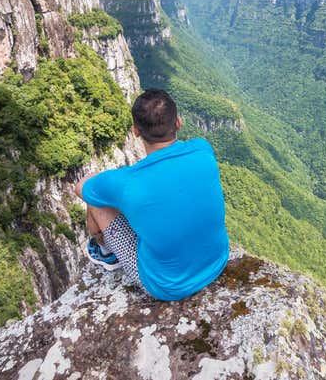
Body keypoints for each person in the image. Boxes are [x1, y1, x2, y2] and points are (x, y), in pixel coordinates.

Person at [76, 89, 230, 301]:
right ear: (178, 122)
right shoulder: (202, 149)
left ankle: (105, 253)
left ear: (136, 131)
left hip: (167, 285)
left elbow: (81, 187)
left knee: (97, 200)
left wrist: (102, 179)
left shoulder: (128, 182)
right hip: (217, 260)